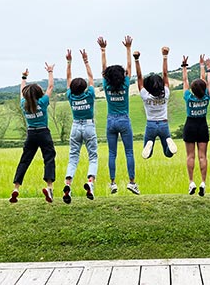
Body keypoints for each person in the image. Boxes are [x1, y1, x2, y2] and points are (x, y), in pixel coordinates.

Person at [98, 35, 139, 195]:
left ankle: (113, 183)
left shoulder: (106, 85)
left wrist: (103, 50)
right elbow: (129, 67)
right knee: (129, 152)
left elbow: (103, 70)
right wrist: (128, 49)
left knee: (112, 153)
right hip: (124, 120)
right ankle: (132, 182)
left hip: (111, 121)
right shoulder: (126, 84)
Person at [9, 63, 56, 203]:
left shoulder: (24, 104)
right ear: (38, 93)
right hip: (43, 133)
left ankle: (16, 188)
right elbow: (51, 87)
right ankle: (49, 187)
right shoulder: (42, 102)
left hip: (31, 134)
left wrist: (24, 77)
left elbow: (21, 90)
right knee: (49, 158)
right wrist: (50, 71)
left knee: (24, 160)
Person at [62, 49, 98, 203]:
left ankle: (68, 184)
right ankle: (90, 182)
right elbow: (91, 78)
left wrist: (69, 62)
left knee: (73, 158)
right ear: (84, 88)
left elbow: (68, 78)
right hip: (89, 126)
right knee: (93, 157)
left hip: (75, 127)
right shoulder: (89, 94)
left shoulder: (70, 96)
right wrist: (86, 61)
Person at [133, 46, 177, 159]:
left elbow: (139, 77)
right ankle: (168, 142)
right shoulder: (166, 93)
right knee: (168, 154)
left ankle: (150, 144)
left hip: (151, 125)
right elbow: (165, 74)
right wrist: (165, 56)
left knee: (147, 155)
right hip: (163, 124)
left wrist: (137, 60)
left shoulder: (145, 96)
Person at [182, 55, 210, 196]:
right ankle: (203, 183)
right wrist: (202, 66)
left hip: (190, 125)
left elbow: (185, 81)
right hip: (202, 125)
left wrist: (185, 67)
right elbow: (203, 82)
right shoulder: (206, 97)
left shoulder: (188, 97)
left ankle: (192, 181)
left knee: (190, 156)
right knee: (202, 156)